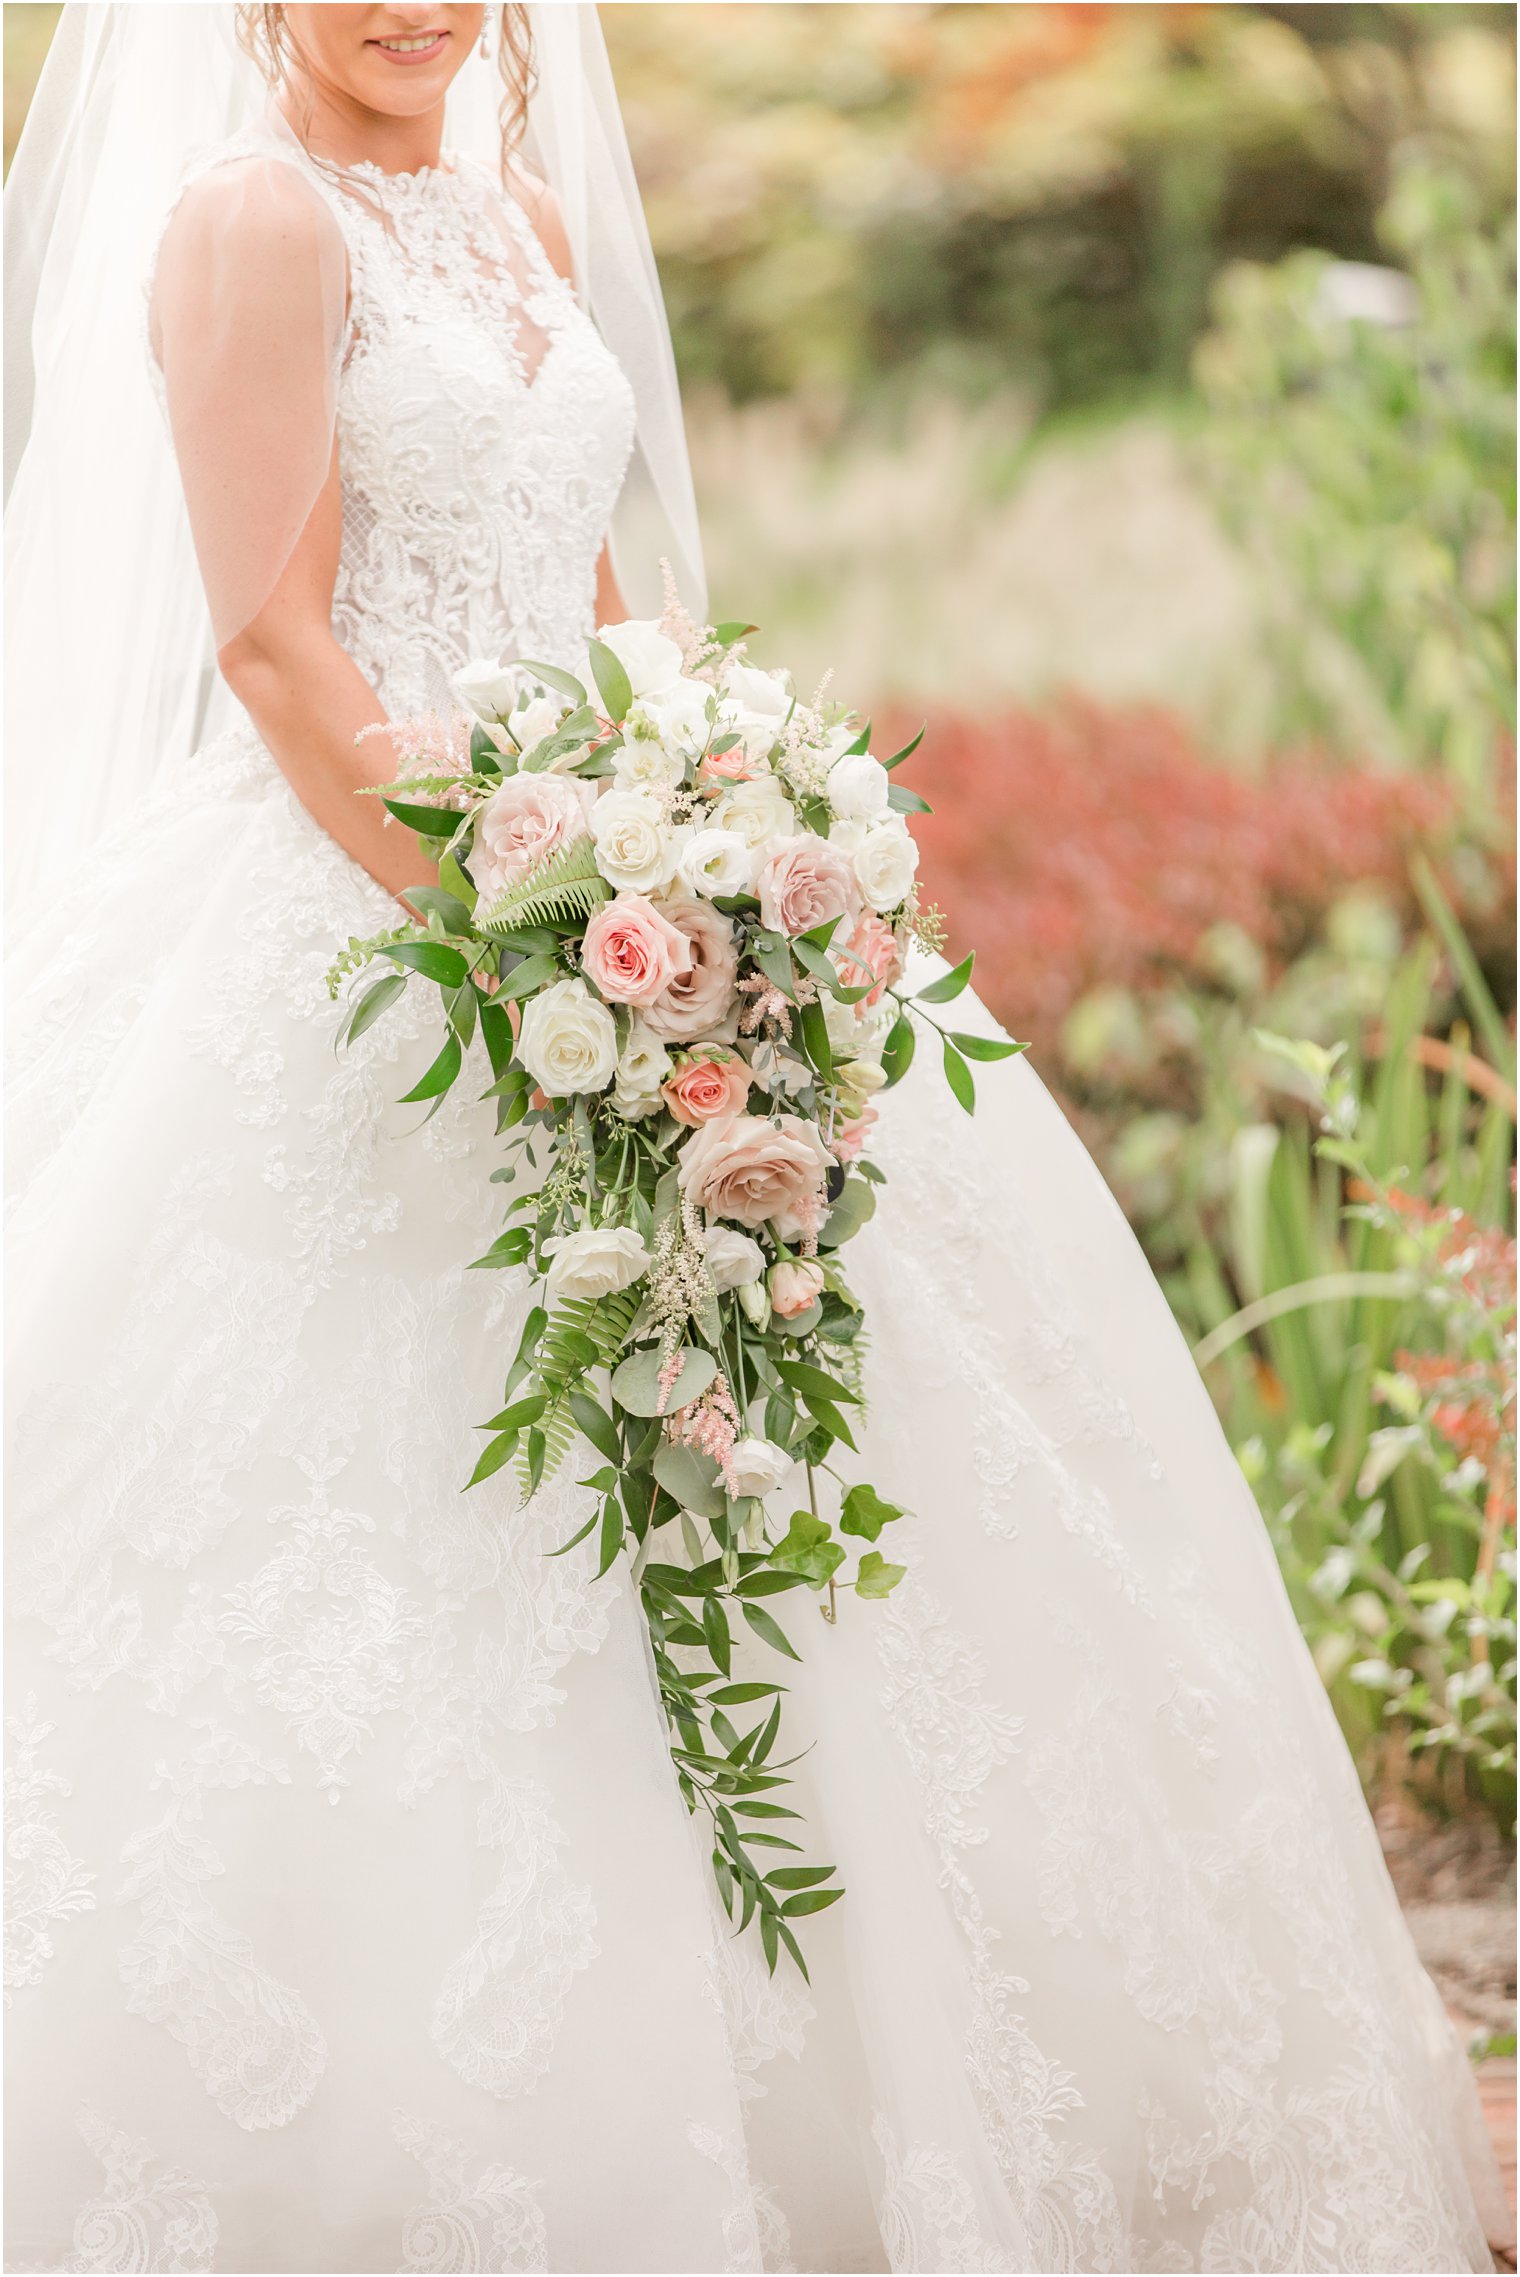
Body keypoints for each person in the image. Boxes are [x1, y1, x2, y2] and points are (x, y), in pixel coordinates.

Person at [4, 8, 1504, 2272]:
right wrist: (525, 953)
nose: (419, 4)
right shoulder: (248, 221)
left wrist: (718, 834)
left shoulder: (512, 217)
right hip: (396, 924)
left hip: (626, 894)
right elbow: (281, 655)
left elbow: (600, 605)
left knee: (799, 1455)